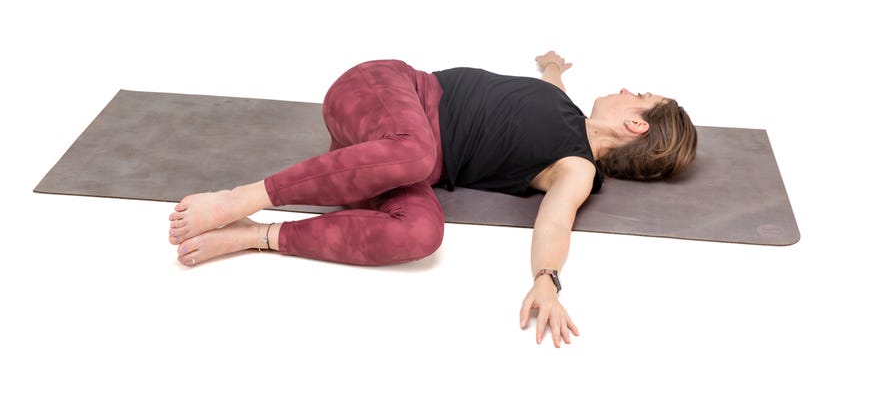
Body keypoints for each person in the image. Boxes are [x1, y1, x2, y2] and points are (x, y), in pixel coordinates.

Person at [167, 51, 698, 347]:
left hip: (383, 161)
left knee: (423, 231)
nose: (630, 87)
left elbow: (555, 224)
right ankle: (242, 198)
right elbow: (551, 88)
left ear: (634, 123)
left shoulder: (577, 167)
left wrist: (547, 281)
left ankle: (256, 236)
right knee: (416, 154)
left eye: (642, 94)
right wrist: (554, 69)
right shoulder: (567, 106)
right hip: (381, 91)